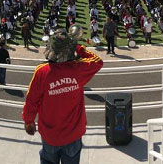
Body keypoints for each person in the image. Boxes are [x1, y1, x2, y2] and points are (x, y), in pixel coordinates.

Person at [22, 29, 103, 164]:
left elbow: (31, 101)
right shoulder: (78, 69)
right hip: (73, 134)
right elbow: (97, 61)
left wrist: (28, 121)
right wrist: (78, 47)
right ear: (69, 50)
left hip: (50, 136)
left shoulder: (41, 72)